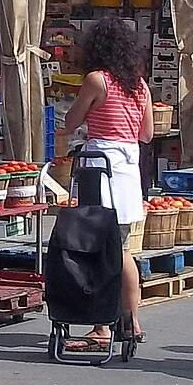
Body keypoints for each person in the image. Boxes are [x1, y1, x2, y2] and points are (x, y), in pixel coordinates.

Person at [56, 18, 152, 350]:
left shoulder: (97, 81)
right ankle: (132, 319)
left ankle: (102, 326)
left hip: (100, 169)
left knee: (98, 247)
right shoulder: (139, 85)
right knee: (122, 248)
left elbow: (71, 123)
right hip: (128, 170)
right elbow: (147, 134)